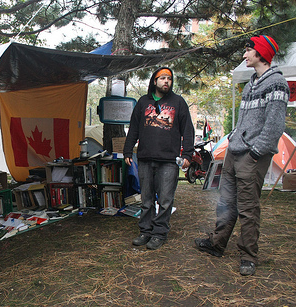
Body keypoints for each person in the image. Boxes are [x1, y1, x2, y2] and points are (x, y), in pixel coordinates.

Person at [195, 35, 289, 276]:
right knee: (225, 203)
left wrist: (256, 152)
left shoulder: (277, 84)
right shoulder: (250, 84)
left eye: (248, 51)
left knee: (248, 208)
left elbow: (274, 125)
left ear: (261, 53)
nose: (244, 55)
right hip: (234, 153)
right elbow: (243, 122)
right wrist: (233, 140)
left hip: (252, 156)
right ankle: (217, 244)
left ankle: (248, 256)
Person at [123, 67, 194, 250]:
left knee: (165, 200)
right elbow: (134, 128)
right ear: (154, 81)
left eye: (169, 79)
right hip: (145, 158)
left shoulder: (178, 102)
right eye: (162, 78)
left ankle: (159, 233)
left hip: (169, 160)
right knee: (146, 199)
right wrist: (128, 151)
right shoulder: (143, 102)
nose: (166, 82)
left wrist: (187, 154)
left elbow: (188, 130)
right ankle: (145, 231)